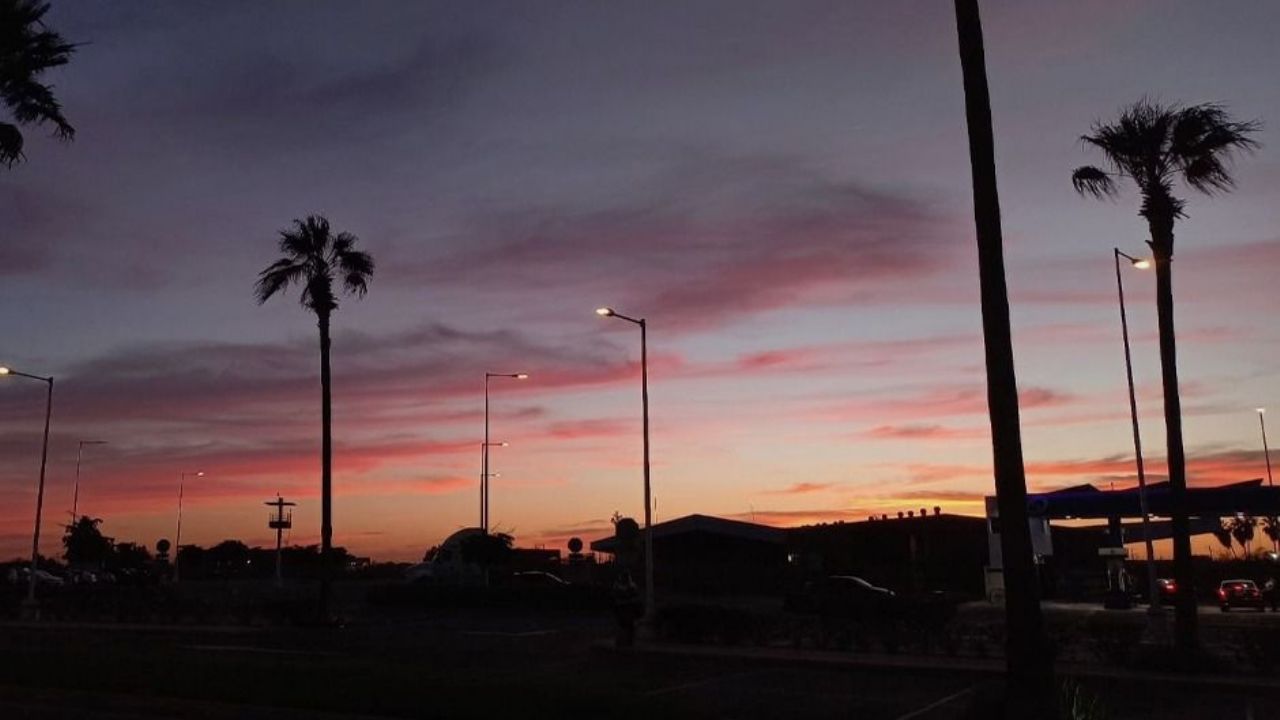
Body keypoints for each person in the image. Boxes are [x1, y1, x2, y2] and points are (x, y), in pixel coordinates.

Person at [612, 571, 641, 647]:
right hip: (623, 608)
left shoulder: (630, 586)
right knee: (624, 625)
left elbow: (635, 597)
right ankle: (624, 641)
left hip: (627, 609)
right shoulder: (619, 586)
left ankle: (628, 641)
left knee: (628, 625)